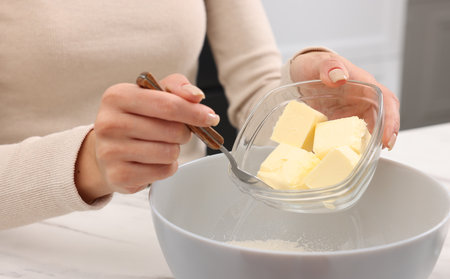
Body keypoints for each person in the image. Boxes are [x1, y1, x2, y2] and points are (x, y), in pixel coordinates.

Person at [0, 1, 399, 230]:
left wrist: (305, 94)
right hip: (29, 242)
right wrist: (84, 163)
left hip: (180, 220)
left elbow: (255, 93)